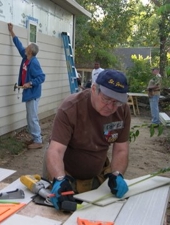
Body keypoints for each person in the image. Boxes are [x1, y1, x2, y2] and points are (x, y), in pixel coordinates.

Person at [43, 69, 130, 211]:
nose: (111, 107)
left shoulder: (123, 110)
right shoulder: (71, 108)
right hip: (64, 172)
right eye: (106, 99)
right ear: (94, 89)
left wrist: (117, 174)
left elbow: (121, 149)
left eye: (117, 102)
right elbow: (55, 150)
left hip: (96, 173)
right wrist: (59, 179)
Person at [7, 23, 46, 149]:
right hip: (29, 93)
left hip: (33, 94)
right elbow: (19, 46)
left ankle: (38, 140)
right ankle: (35, 138)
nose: (25, 47)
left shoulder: (34, 62)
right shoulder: (26, 58)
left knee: (32, 117)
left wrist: (30, 83)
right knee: (29, 116)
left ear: (31, 51)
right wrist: (12, 32)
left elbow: (41, 77)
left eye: (27, 47)